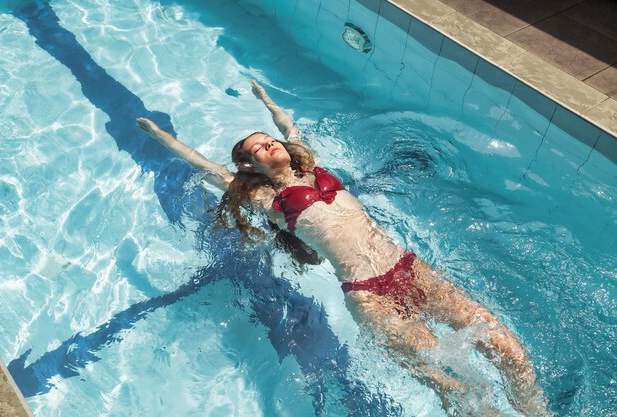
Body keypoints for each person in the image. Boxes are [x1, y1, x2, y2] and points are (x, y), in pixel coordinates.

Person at [137, 80, 549, 416]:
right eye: (259, 148)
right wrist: (159, 136)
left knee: (506, 347)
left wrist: (267, 101)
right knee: (455, 388)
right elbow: (205, 166)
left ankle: (538, 413)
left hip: (409, 269)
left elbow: (288, 126)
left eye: (269, 141)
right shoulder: (266, 200)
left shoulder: (310, 166)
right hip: (371, 298)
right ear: (249, 167)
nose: (271, 145)